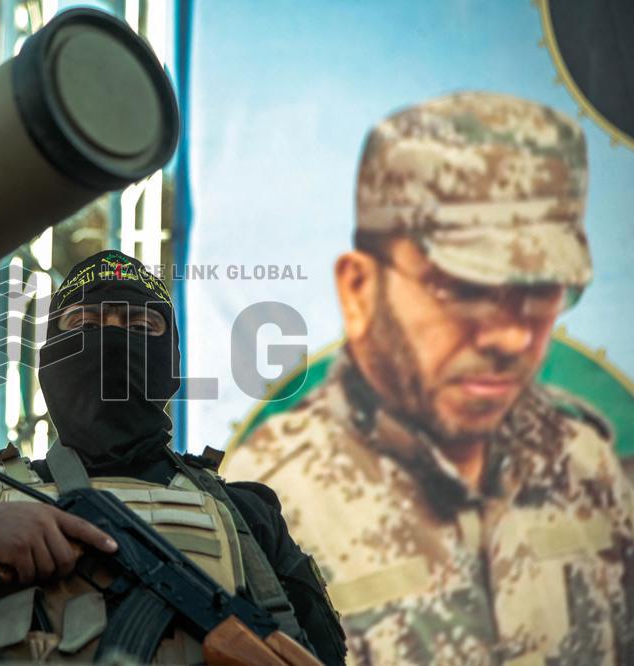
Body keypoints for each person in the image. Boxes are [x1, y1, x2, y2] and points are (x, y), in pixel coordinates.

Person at [222, 92, 634, 665]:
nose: (511, 337)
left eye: (540, 291)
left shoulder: (586, 464)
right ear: (360, 289)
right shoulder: (266, 500)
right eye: (462, 288)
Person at [0, 250, 347, 664]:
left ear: (170, 360)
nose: (111, 337)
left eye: (140, 325)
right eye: (83, 322)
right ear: (50, 357)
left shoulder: (247, 517)